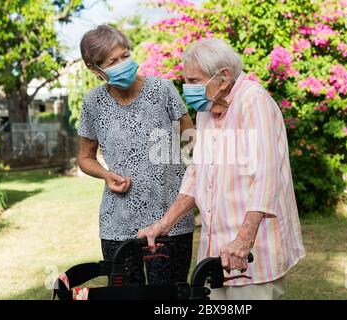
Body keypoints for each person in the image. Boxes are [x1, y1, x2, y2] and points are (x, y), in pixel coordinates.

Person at [138, 38, 305, 299]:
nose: (187, 88)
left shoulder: (253, 100)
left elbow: (266, 176)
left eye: (194, 80)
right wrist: (164, 223)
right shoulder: (206, 108)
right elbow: (197, 173)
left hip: (252, 251)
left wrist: (244, 240)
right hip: (215, 252)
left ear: (224, 77)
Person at [77, 25, 194, 285]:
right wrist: (105, 175)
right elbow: (85, 157)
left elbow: (191, 140)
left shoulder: (163, 90)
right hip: (118, 222)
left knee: (169, 299)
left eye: (124, 56)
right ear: (95, 69)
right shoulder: (93, 103)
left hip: (169, 219)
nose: (122, 64)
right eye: (112, 61)